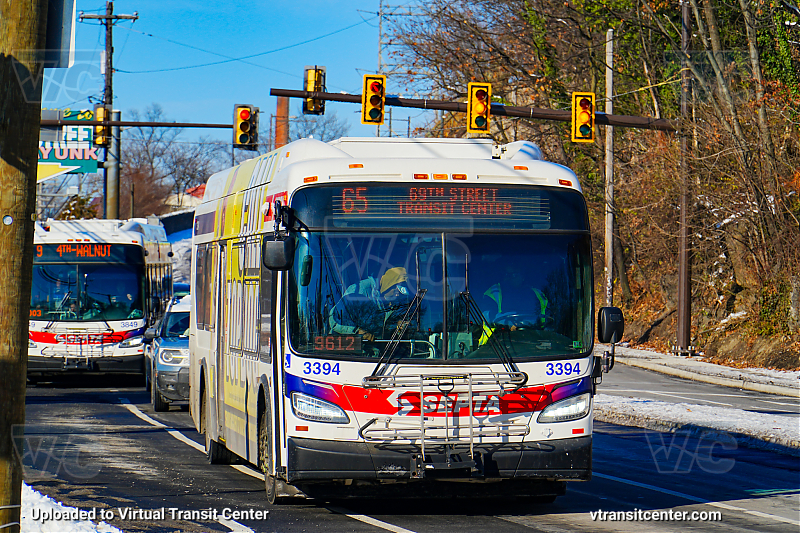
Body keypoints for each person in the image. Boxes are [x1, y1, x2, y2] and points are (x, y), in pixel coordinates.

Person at [328, 267, 414, 341]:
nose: (397, 294)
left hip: (372, 353)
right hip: (345, 350)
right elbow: (335, 318)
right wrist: (358, 332)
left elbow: (378, 326)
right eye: (396, 290)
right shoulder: (359, 290)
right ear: (389, 284)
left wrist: (396, 326)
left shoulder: (390, 300)